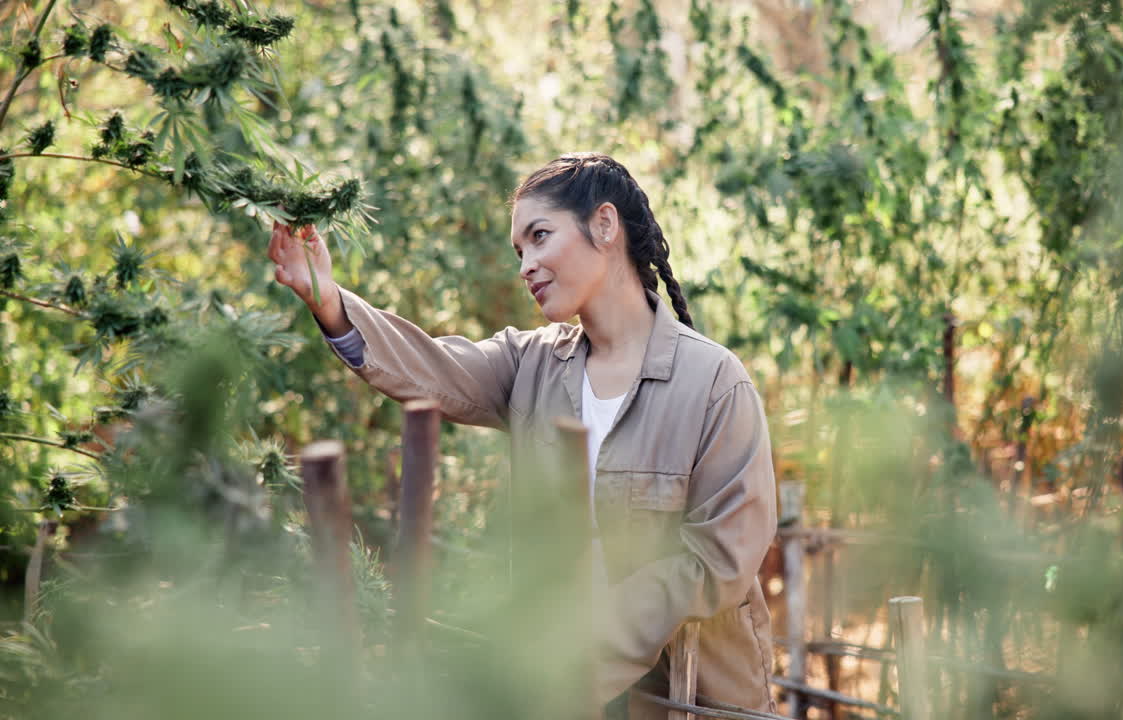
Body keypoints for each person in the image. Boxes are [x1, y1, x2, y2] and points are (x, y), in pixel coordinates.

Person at [267, 152, 778, 719]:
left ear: (604, 225)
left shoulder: (713, 383)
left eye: (540, 236)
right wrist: (329, 299)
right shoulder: (531, 363)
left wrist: (590, 642)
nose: (525, 265)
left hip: (689, 701)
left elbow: (722, 557)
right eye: (519, 250)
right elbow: (432, 366)